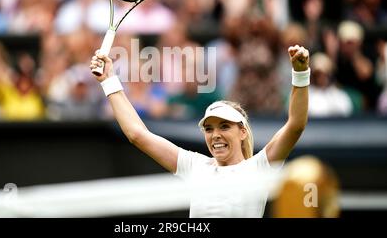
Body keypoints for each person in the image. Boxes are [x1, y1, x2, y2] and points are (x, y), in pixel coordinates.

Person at [89, 45, 310, 218]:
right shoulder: (195, 166)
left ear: (242, 132)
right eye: (209, 128)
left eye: (224, 126)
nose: (216, 135)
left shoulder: (259, 167)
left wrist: (301, 74)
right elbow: (137, 134)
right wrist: (109, 80)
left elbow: (296, 124)